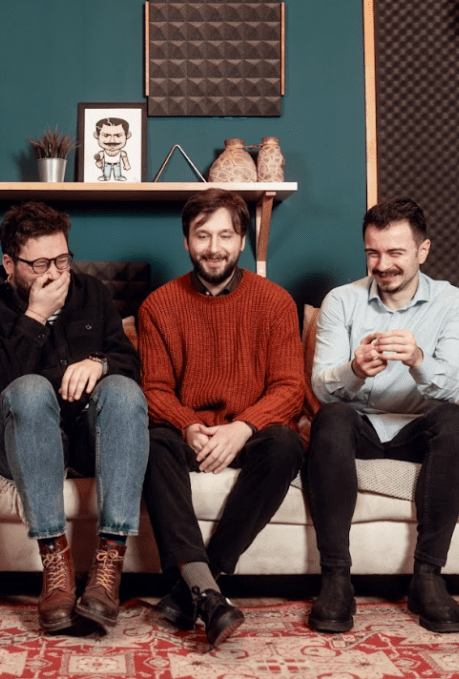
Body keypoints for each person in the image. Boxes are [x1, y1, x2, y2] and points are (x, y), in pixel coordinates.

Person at [0, 201, 148, 633]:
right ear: (9, 264)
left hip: (87, 440)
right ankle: (55, 563)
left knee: (121, 388)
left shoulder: (91, 292)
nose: (56, 274)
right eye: (40, 264)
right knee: (29, 388)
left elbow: (131, 364)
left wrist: (100, 363)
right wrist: (35, 316)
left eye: (62, 260)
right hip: (17, 444)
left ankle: (108, 564)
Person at [137, 188, 306, 647]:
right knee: (151, 442)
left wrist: (242, 427)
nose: (214, 247)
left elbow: (289, 387)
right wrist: (187, 425)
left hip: (249, 433)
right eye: (202, 235)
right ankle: (209, 595)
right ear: (186, 241)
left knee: (286, 444)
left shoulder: (275, 302)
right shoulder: (158, 306)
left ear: (243, 241)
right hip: (189, 434)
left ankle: (191, 591)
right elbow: (154, 390)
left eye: (225, 235)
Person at [305, 197, 459, 634]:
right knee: (332, 418)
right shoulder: (341, 301)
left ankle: (428, 576)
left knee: (458, 420)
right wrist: (354, 370)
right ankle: (336, 578)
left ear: (423, 251)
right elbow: (321, 388)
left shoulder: (456, 304)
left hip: (418, 431)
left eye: (395, 253)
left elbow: (454, 388)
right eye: (373, 253)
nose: (383, 265)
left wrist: (418, 359)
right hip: (359, 428)